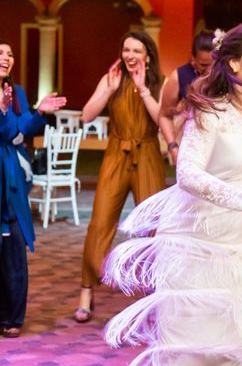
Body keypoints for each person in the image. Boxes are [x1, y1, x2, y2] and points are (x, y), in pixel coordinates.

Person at [102, 22, 242, 366]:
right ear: (233, 63)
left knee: (229, 345)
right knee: (192, 349)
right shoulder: (210, 111)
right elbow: (187, 174)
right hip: (192, 244)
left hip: (232, 247)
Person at [74, 30, 165, 323]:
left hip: (148, 155)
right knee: (99, 223)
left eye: (136, 50)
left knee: (152, 229)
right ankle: (86, 291)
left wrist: (144, 89)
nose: (130, 55)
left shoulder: (158, 83)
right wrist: (108, 90)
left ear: (148, 56)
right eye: (126, 49)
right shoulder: (112, 79)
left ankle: (153, 294)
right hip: (116, 154)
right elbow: (86, 115)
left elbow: (163, 122)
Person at [0, 40, 67, 338]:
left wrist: (38, 113)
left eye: (10, 53)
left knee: (14, 246)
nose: (6, 57)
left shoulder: (17, 93)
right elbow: (9, 132)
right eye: (0, 52)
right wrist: (5, 119)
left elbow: (20, 130)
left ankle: (12, 316)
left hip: (10, 173)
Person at [158, 29, 220, 164]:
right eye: (203, 65)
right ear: (193, 58)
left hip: (220, 148)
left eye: (213, 64)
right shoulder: (179, 76)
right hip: (191, 148)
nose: (209, 70)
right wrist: (172, 147)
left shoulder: (226, 78)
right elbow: (164, 115)